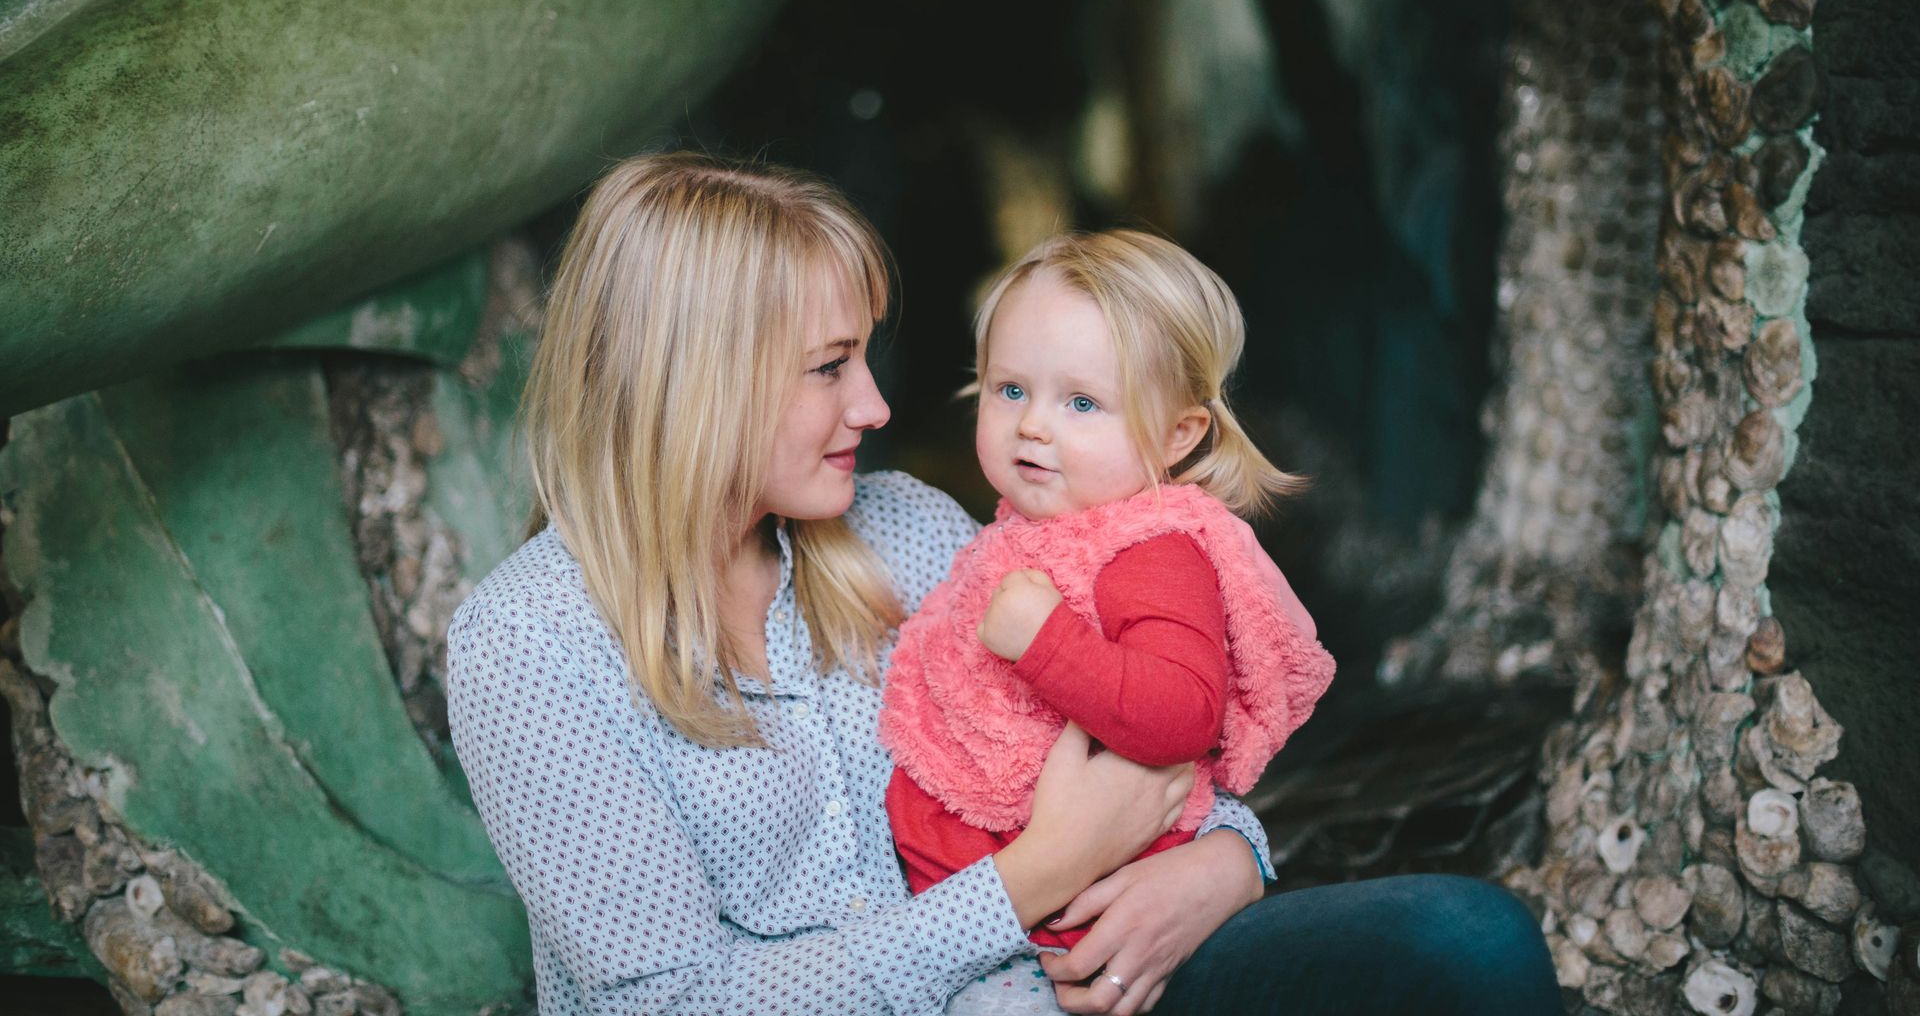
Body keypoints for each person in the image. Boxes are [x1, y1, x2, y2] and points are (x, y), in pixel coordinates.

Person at [446, 151, 1564, 1016]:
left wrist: (1226, 865)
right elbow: (674, 1003)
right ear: (698, 384)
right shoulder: (528, 643)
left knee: (1467, 941)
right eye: (831, 367)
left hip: (1056, 980)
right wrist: (1030, 880)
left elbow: (1130, 731)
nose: (877, 407)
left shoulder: (917, 531)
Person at [877, 231, 1336, 1013]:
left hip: (1076, 931)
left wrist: (1046, 642)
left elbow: (1181, 716)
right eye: (1010, 389)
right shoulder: (1019, 535)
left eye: (1081, 402)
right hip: (987, 907)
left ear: (1177, 436)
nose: (1033, 426)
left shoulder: (1150, 551)